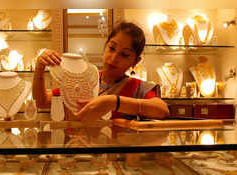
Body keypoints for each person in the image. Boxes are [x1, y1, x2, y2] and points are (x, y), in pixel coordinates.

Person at [33, 22, 170, 122]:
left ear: (135, 61)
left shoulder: (138, 88)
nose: (114, 58)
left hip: (115, 158)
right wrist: (39, 67)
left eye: (124, 55)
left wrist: (112, 102)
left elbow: (162, 110)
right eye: (111, 48)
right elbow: (42, 102)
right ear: (105, 46)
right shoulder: (83, 78)